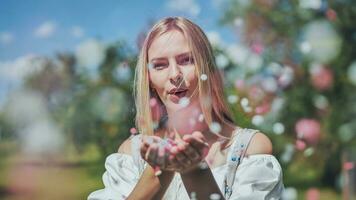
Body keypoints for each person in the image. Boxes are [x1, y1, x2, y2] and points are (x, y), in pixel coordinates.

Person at [88, 17, 284, 200]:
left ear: (207, 68)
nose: (175, 74)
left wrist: (194, 171)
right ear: (149, 81)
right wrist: (158, 172)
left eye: (186, 60)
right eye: (160, 65)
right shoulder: (132, 153)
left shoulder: (248, 149)